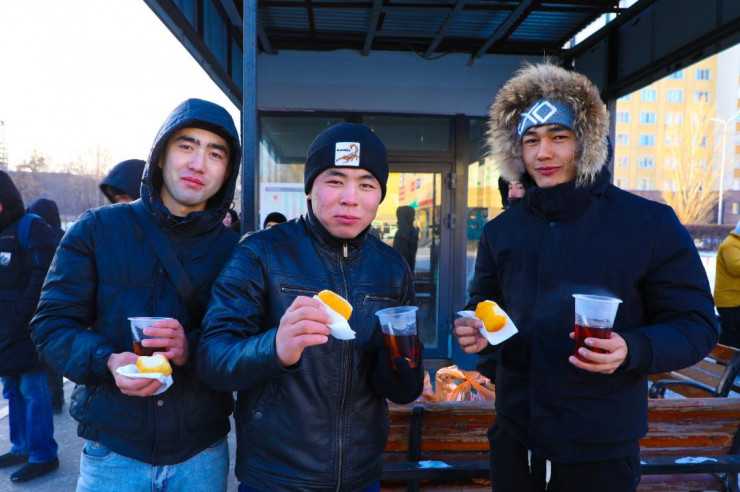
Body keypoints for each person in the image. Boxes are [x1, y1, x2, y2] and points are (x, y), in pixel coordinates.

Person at [453, 63, 718, 492]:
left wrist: (632, 348)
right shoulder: (502, 231)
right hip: (515, 441)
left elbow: (697, 325)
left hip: (601, 450)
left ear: (587, 142)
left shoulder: (648, 224)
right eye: (531, 140)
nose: (543, 153)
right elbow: (485, 303)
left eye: (559, 137)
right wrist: (476, 327)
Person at [197, 122, 424, 491]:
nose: (350, 198)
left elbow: (400, 391)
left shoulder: (392, 267)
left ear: (379, 195)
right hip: (276, 477)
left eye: (366, 185)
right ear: (309, 189)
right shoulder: (261, 253)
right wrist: (275, 348)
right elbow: (212, 358)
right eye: (335, 181)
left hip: (361, 476)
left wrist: (404, 366)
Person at [30, 98, 241, 491]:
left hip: (201, 453)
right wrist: (107, 361)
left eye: (216, 153)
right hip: (113, 452)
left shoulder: (236, 252)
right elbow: (50, 326)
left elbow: (242, 339)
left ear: (228, 170)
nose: (198, 164)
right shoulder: (96, 230)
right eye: (186, 146)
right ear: (160, 156)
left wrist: (190, 347)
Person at [0, 172, 59, 483]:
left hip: (27, 327)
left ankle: (43, 454)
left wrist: (21, 314)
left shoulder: (31, 227)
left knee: (33, 391)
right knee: (11, 388)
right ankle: (21, 446)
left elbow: (44, 274)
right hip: (4, 329)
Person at [26, 198, 66, 413]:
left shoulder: (37, 236)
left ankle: (51, 399)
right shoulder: (65, 236)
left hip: (40, 300)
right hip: (62, 302)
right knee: (54, 354)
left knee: (39, 353)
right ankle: (56, 398)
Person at [714, 220, 740, 348]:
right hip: (730, 302)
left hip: (736, 300)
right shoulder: (731, 244)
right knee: (733, 335)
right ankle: (723, 359)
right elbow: (735, 267)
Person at [393, 205, 419, 272]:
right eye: (413, 216)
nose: (414, 218)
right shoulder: (408, 231)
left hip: (403, 267)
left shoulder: (406, 232)